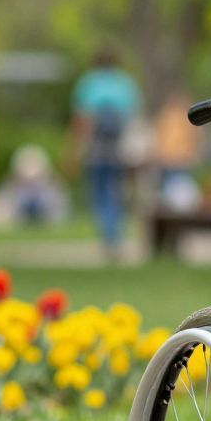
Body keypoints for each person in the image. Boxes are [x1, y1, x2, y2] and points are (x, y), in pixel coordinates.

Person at [69, 49, 142, 262]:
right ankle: (115, 236)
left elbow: (82, 121)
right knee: (116, 193)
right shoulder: (125, 84)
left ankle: (108, 237)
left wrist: (75, 149)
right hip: (118, 150)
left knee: (99, 193)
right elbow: (133, 119)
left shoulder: (89, 84)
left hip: (97, 150)